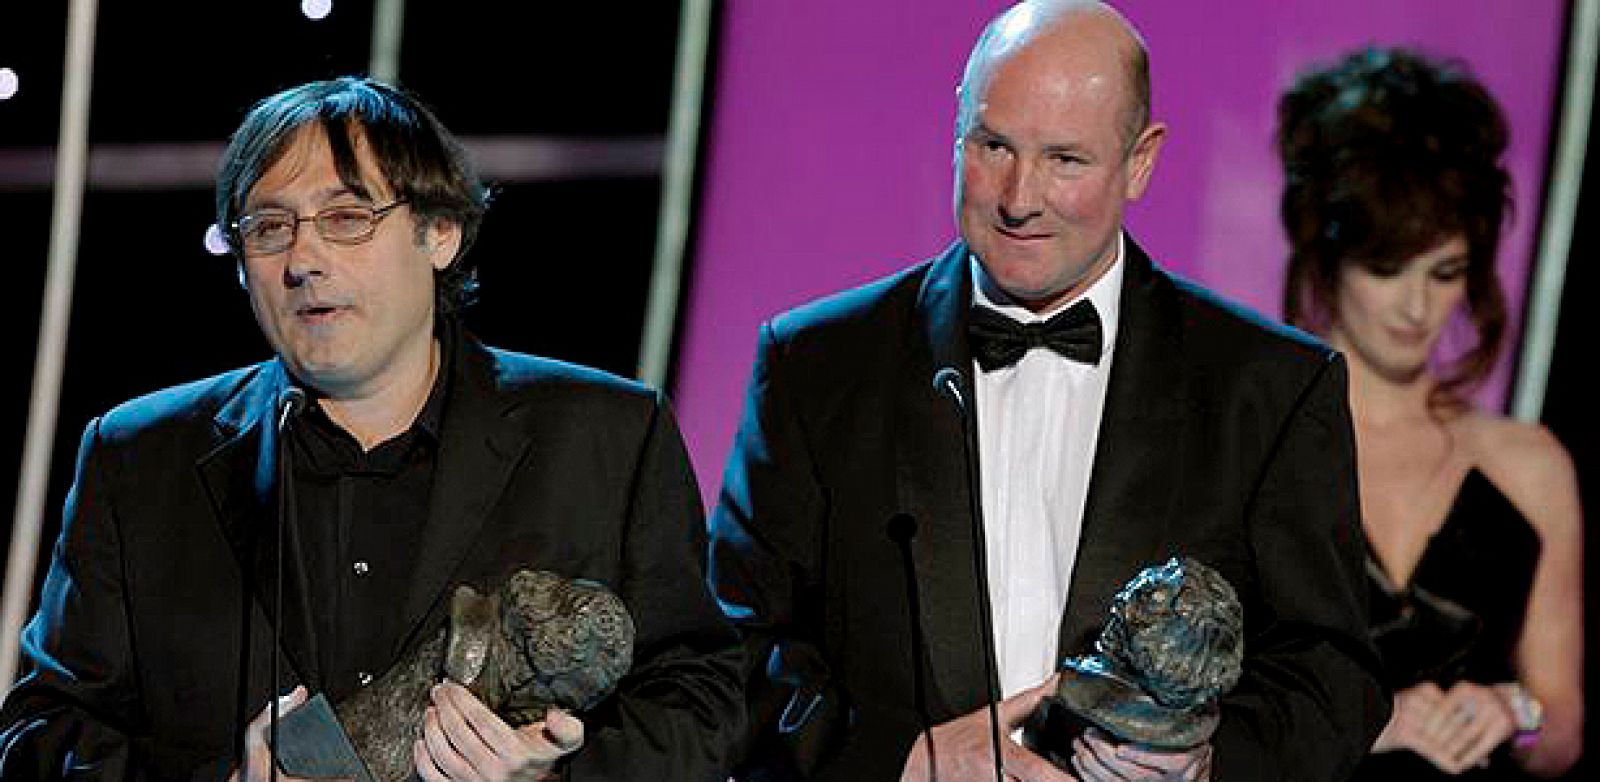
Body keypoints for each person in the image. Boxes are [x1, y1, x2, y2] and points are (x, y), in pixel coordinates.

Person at [709, 2, 1388, 780]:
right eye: (994, 145)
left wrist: (1205, 765)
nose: (1019, 197)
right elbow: (732, 647)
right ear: (956, 131)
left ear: (1141, 161)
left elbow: (1331, 676)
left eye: (1066, 160)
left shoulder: (1269, 389)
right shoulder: (817, 365)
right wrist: (903, 760)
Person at [0, 76, 744, 781]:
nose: (303, 259)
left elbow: (702, 704)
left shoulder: (605, 435)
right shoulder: (137, 459)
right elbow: (44, 732)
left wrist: (551, 775)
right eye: (268, 227)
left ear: (441, 232)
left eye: (347, 218)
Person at [1278, 47, 1583, 779]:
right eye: (1387, 270)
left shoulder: (1527, 465)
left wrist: (1517, 712)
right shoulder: (1260, 446)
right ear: (1327, 255)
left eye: (1445, 273)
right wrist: (1356, 728)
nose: (1418, 309)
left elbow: (1564, 726)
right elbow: (1189, 714)